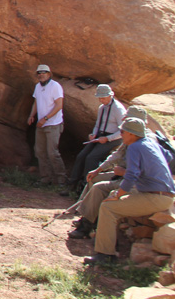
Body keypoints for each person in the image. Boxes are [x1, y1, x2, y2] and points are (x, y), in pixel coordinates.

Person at [84, 117, 175, 266]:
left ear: (132, 134)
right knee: (115, 203)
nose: (121, 134)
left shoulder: (134, 146)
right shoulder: (150, 143)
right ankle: (110, 243)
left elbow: (132, 175)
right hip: (164, 194)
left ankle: (106, 255)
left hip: (156, 196)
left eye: (123, 132)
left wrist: (118, 193)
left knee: (108, 207)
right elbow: (169, 156)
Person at [67, 84, 126, 192]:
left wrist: (108, 138)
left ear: (110, 96)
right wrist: (93, 134)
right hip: (100, 136)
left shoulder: (118, 109)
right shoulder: (102, 108)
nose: (101, 100)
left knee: (92, 158)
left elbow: (122, 131)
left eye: (103, 97)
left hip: (113, 138)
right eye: (100, 97)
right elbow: (98, 124)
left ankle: (86, 186)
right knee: (81, 156)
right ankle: (72, 183)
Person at [28, 64, 68, 193]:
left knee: (52, 152)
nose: (41, 74)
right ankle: (46, 178)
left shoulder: (55, 86)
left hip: (53, 124)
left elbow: (59, 105)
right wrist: (31, 115)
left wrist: (45, 118)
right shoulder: (38, 87)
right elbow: (36, 102)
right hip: (41, 124)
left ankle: (62, 180)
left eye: (44, 72)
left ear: (49, 74)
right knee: (40, 151)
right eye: (39, 72)